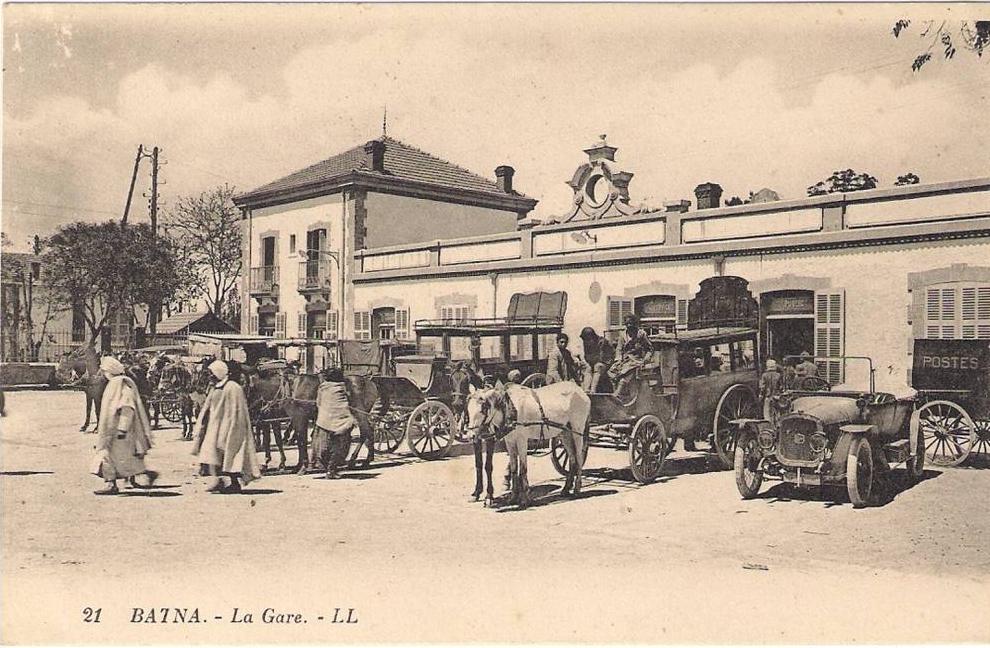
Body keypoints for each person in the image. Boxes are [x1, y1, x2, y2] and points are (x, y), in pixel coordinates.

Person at [191, 359, 261, 493]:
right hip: (215, 426)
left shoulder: (233, 388)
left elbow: (238, 411)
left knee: (231, 455)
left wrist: (231, 428)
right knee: (211, 454)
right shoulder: (215, 387)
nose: (210, 376)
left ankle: (234, 484)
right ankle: (219, 481)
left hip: (230, 427)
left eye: (212, 373)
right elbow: (208, 406)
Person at [91, 356, 158, 495]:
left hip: (119, 432)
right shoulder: (115, 383)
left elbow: (127, 407)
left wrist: (123, 428)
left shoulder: (121, 384)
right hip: (113, 430)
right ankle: (146, 474)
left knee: (110, 456)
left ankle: (112, 484)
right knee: (123, 459)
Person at [312, 368, 357, 479]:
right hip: (341, 422)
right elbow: (351, 402)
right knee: (339, 447)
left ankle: (325, 467)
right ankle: (331, 470)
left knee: (323, 447)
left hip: (324, 421)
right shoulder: (344, 388)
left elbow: (318, 403)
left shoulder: (322, 388)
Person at [608, 314, 653, 400]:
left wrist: (646, 359)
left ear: (635, 324)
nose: (629, 325)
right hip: (624, 359)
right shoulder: (623, 335)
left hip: (636, 360)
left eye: (631, 323)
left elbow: (649, 349)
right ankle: (617, 395)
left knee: (626, 372)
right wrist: (618, 360)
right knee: (612, 373)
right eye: (627, 323)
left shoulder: (641, 334)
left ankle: (618, 393)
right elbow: (619, 349)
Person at [579, 327, 616, 393]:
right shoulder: (587, 343)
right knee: (588, 368)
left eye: (588, 339)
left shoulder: (602, 342)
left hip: (607, 362)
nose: (586, 341)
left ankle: (593, 390)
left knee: (597, 366)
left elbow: (601, 358)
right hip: (595, 362)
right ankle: (586, 390)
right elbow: (587, 357)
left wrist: (592, 360)